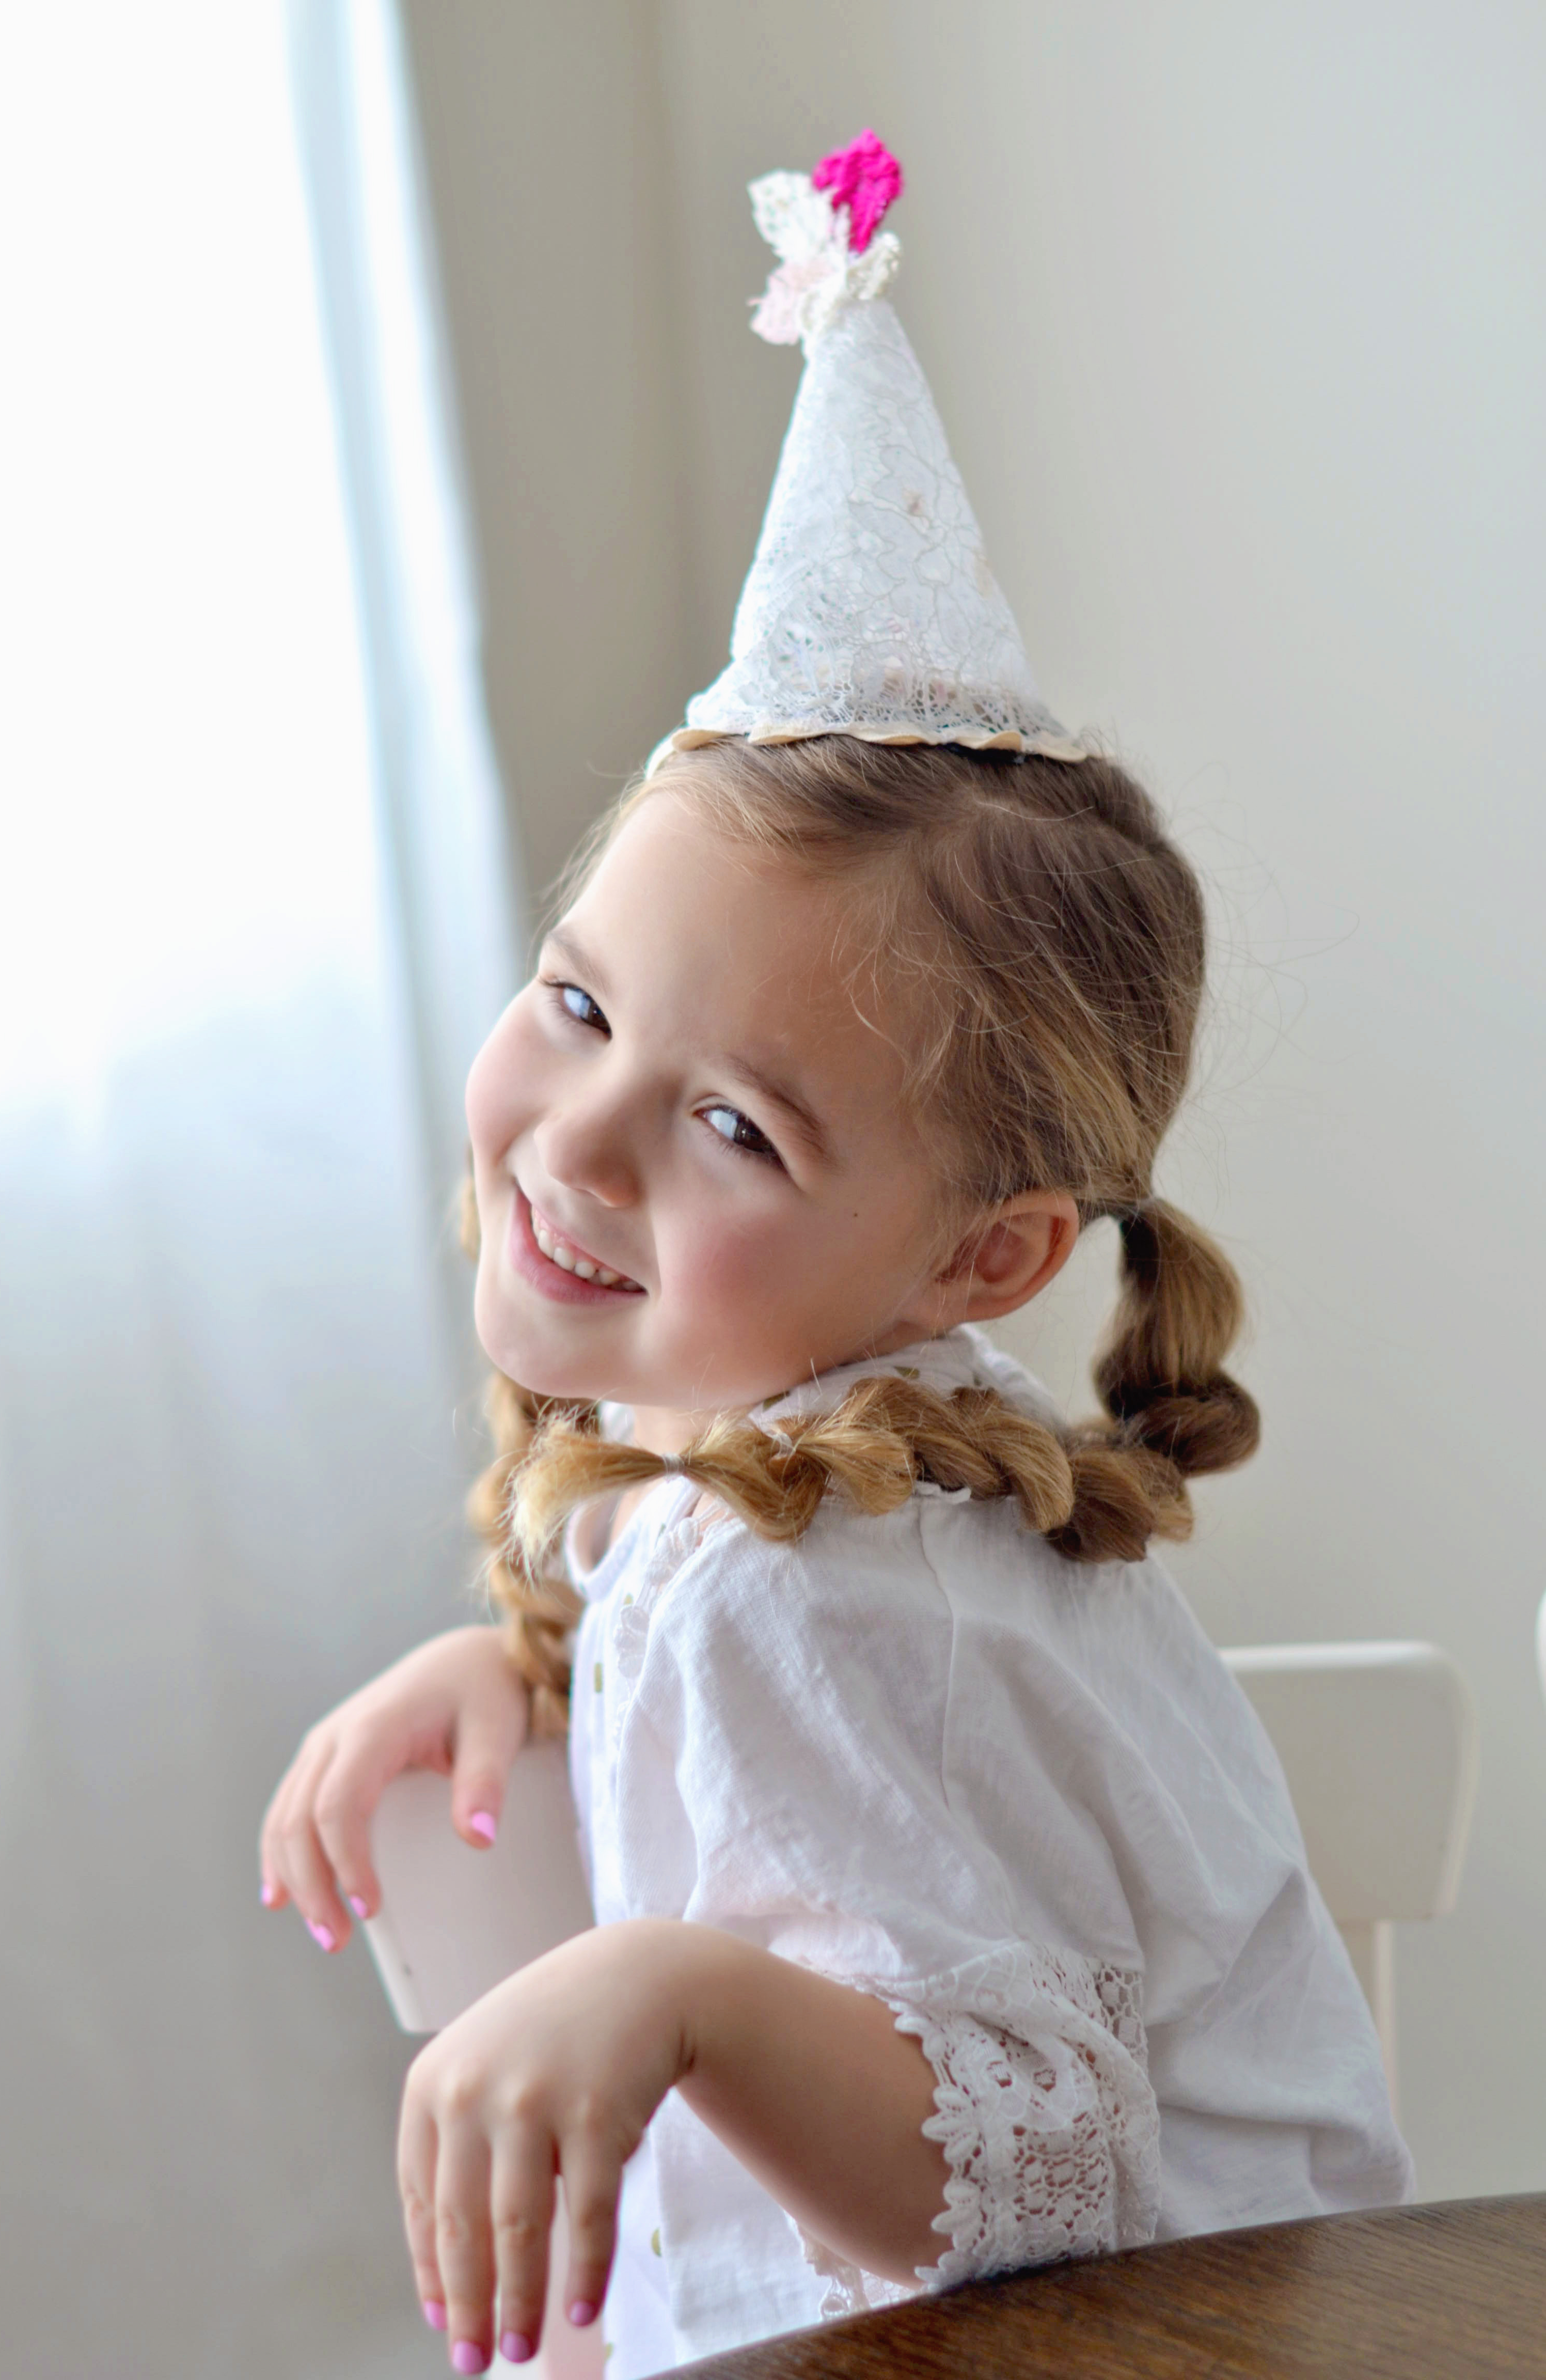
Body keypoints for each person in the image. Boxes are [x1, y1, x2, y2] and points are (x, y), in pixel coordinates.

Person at [258, 133, 1410, 2378]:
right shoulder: (796, 1472)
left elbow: (1058, 2171)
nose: (578, 1139)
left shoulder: (822, 1586)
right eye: (578, 1004)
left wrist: (673, 1989)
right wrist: (537, 1680)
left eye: (732, 1126)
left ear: (984, 1255)